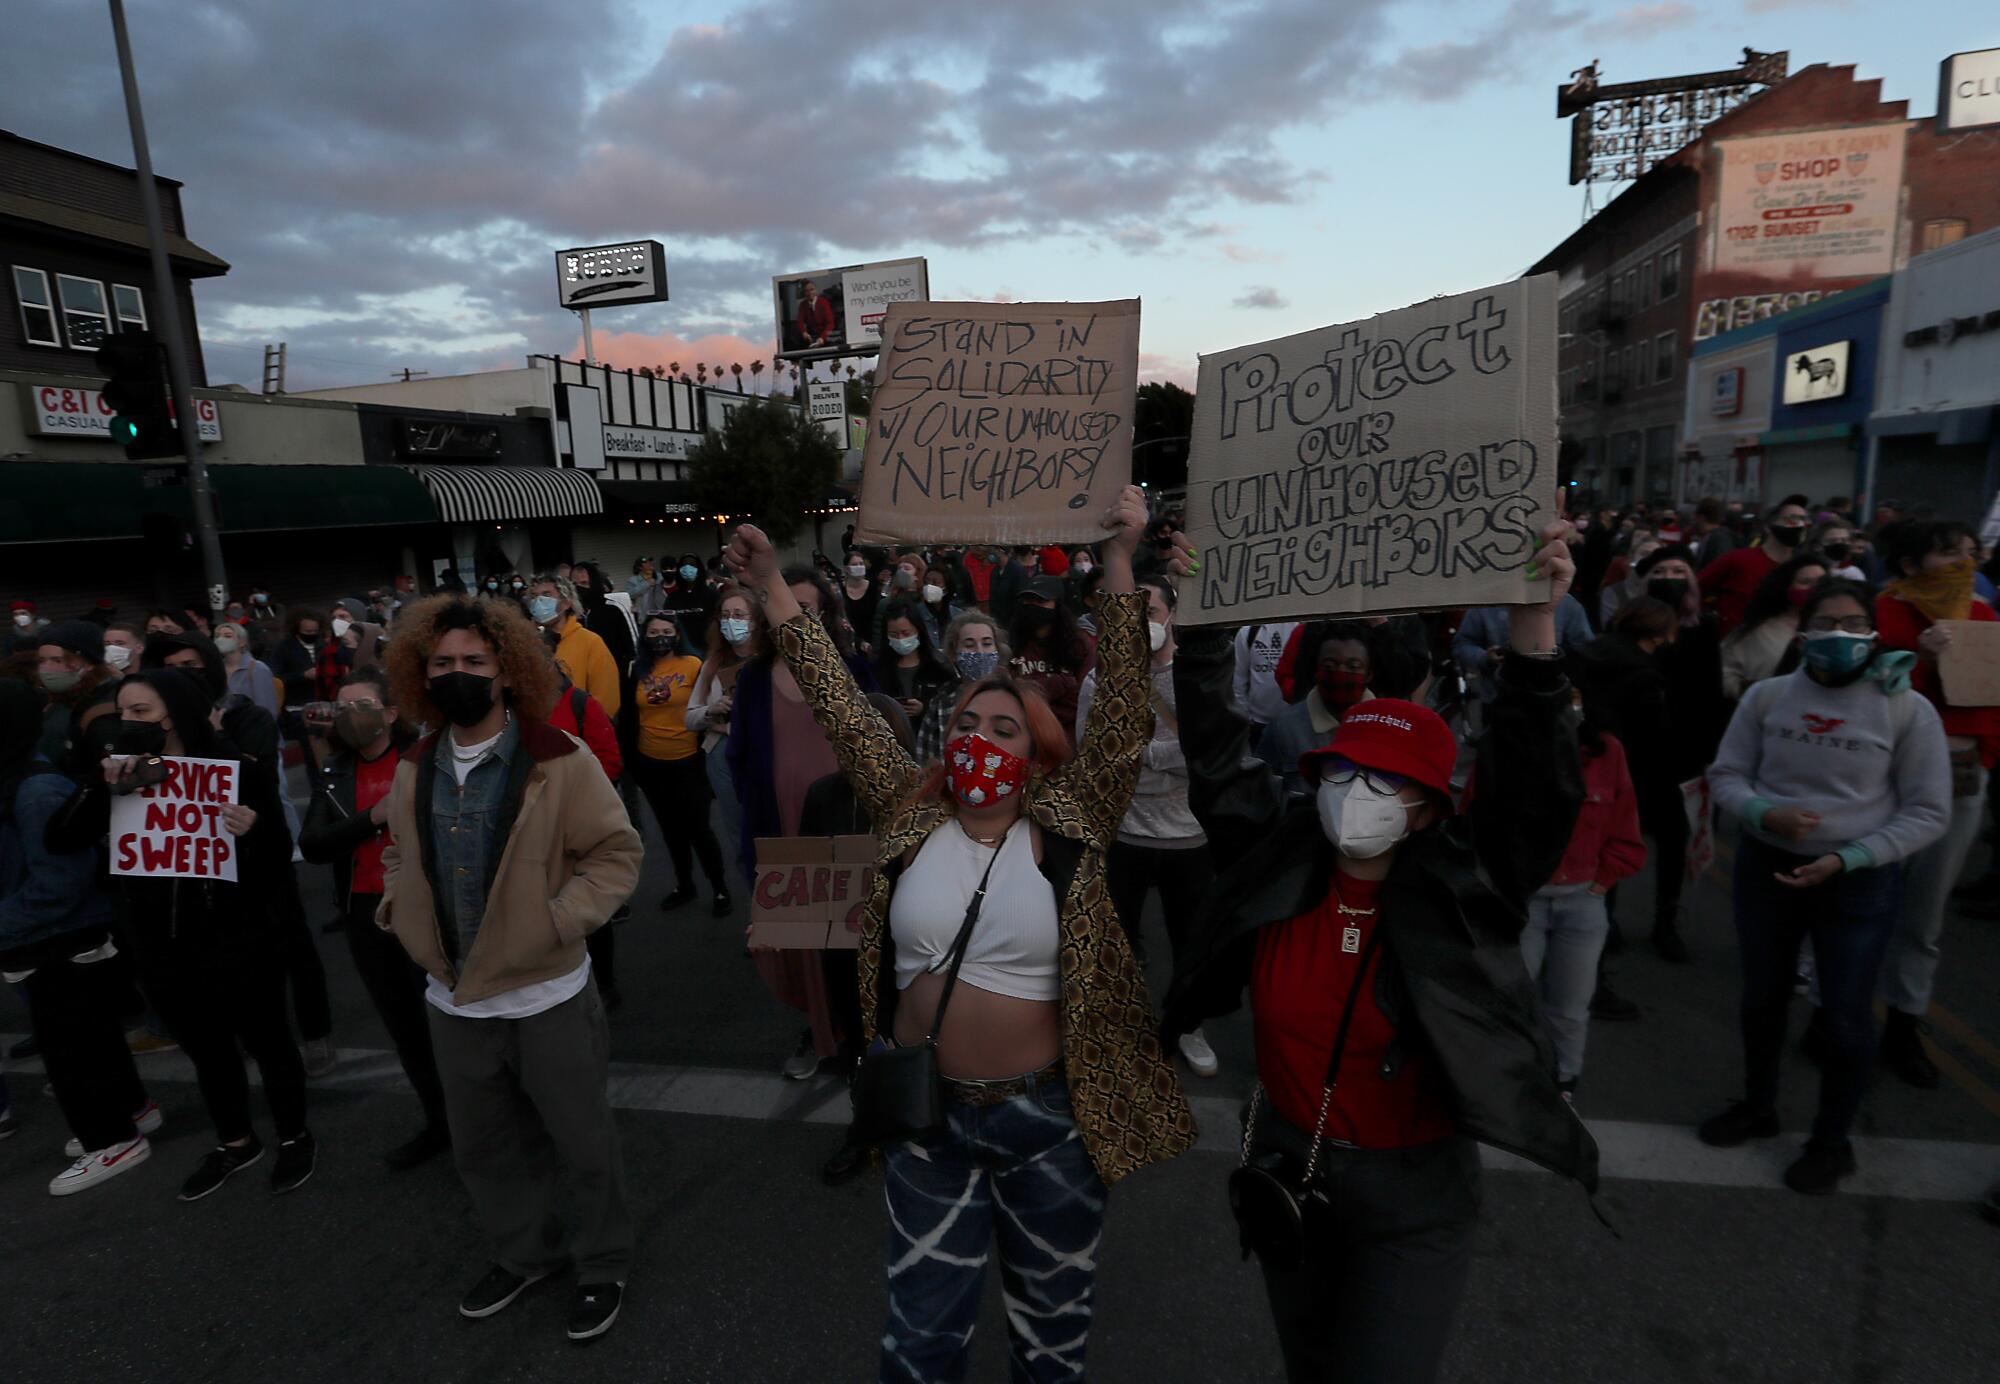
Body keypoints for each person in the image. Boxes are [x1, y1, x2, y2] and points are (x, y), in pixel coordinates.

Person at [724, 484, 1197, 1382]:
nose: (980, 737)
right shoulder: (912, 814)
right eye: (969, 723)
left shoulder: (1071, 821)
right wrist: (774, 592)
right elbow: (839, 703)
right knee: (919, 1341)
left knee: (1050, 1341)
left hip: (1047, 1121)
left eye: (1004, 728)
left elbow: (1127, 708)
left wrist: (1123, 563)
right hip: (926, 1120)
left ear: (1040, 752)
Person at [1165, 519, 1597, 1384]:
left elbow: (1531, 795)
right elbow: (1215, 756)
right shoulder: (1278, 859)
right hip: (1289, 1164)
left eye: (1386, 780)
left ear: (1431, 807)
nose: (1352, 792)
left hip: (1416, 1196)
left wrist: (1535, 632)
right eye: (1338, 771)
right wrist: (1202, 626)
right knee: (1312, 1367)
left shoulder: (1465, 896)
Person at [375, 592, 642, 1340]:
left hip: (547, 995)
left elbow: (616, 855)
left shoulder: (559, 758)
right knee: (485, 1151)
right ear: (418, 674)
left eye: (474, 662)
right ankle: (527, 1255)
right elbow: (399, 852)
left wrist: (554, 923)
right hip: (454, 1002)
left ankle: (603, 1262)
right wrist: (402, 910)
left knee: (583, 1145)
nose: (456, 674)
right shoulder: (415, 763)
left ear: (508, 672)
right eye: (442, 663)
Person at [1701, 579, 1951, 1194]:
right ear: (1804, 631)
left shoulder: (1906, 708)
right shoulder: (1768, 697)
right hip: (1768, 869)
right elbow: (1727, 774)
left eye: (1855, 623)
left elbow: (1928, 810)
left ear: (1872, 634)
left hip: (1857, 883)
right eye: (1828, 623)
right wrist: (1763, 814)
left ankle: (1832, 1142)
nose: (1841, 635)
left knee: (1844, 1016)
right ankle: (1759, 1107)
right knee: (1762, 999)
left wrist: (1852, 856)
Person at [47, 668, 315, 1200]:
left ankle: (293, 1134)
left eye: (141, 712)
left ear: (176, 713)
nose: (128, 722)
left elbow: (278, 855)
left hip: (240, 939)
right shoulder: (122, 773)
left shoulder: (236, 769)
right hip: (162, 947)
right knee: (207, 1050)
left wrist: (252, 831)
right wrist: (98, 785)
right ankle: (237, 1142)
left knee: (268, 1042)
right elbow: (61, 838)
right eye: (122, 712)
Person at [144, 631, 337, 1075]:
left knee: (292, 944)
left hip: (263, 849)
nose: (182, 677)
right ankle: (261, 1034)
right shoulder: (159, 728)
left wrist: (212, 735)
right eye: (171, 668)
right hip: (203, 862)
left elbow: (255, 782)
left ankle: (315, 1031)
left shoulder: (245, 716)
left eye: (191, 666)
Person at [0, 679, 160, 1195]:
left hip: (57, 942)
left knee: (71, 1048)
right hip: (47, 939)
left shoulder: (34, 789)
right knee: (91, 1039)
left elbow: (60, 882)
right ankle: (135, 1111)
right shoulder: (21, 781)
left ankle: (111, 1140)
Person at [726, 565, 876, 1080]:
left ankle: (861, 1035)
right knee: (804, 941)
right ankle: (819, 1031)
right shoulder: (752, 679)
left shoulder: (851, 669)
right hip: (784, 824)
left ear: (828, 616)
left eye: (809, 609)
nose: (798, 618)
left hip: (846, 824)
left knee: (851, 933)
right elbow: (740, 758)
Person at [297, 669, 448, 1169]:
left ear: (388, 713)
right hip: (366, 914)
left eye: (360, 705)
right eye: (340, 708)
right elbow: (314, 845)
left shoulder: (426, 758)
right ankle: (440, 1124)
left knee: (454, 1018)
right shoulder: (335, 772)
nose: (348, 716)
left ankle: (489, 1119)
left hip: (426, 905)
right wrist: (372, 818)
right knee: (405, 1025)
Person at [1870, 520, 2000, 1088]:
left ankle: (1904, 1022)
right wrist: (1914, 658)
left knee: (1923, 917)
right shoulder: (1880, 615)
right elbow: (1865, 699)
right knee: (1861, 901)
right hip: (1885, 778)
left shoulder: (1984, 617)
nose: (1964, 565)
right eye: (1949, 554)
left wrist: (1987, 758)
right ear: (1908, 566)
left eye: (1970, 554)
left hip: (1961, 775)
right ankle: (1833, 1013)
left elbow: (1991, 702)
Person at [1078, 574, 1221, 1079]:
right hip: (1125, 834)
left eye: (1153, 613)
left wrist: (1140, 754)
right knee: (1120, 942)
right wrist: (1162, 758)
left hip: (1189, 836)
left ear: (1174, 616)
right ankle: (1123, 1031)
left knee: (1192, 942)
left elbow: (1207, 752)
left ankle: (1187, 1025)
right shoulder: (1101, 681)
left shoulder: (1197, 677)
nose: (1143, 624)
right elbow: (1094, 753)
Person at [1516, 684, 1646, 1101]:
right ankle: (1504, 1083)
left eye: (1571, 691)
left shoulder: (1608, 752)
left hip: (1582, 902)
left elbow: (1626, 831)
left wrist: (1601, 882)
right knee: (1510, 1001)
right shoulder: (1508, 748)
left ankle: (1562, 1083)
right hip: (1523, 902)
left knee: (1570, 1009)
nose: (1563, 702)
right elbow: (1478, 819)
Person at [631, 612, 731, 918]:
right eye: (653, 632)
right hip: (650, 763)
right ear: (644, 637)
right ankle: (684, 885)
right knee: (670, 830)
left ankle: (720, 887)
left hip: (688, 761)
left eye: (666, 631)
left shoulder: (693, 665)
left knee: (699, 829)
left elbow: (707, 708)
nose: (659, 637)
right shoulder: (637, 669)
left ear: (677, 635)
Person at [1258, 624, 1376, 798]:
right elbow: (1260, 795)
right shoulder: (1284, 729)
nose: (1341, 673)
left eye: (1353, 667)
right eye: (1330, 665)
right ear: (1316, 669)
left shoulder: (1387, 730)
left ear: (1369, 674)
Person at [687, 586, 757, 869]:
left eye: (739, 614)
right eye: (726, 615)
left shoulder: (772, 660)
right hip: (723, 755)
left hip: (764, 752)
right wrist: (712, 712)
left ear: (755, 620)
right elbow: (689, 718)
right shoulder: (713, 664)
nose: (731, 621)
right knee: (739, 835)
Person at [1721, 555, 1830, 700]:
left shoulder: (1838, 628)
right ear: (1786, 587)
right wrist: (1756, 694)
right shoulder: (1756, 632)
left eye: (1821, 582)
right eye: (1805, 582)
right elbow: (1726, 673)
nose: (1815, 589)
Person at [1453, 591, 1593, 702]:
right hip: (1499, 701)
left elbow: (1587, 652)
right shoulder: (1487, 604)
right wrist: (1484, 657)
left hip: (1552, 703)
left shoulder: (1566, 604)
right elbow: (1462, 646)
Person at [1700, 495, 1811, 636]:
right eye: (1793, 519)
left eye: (1803, 519)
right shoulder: (1738, 559)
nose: (1800, 525)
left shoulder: (1804, 568)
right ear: (1768, 527)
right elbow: (1698, 587)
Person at [1009, 575, 1097, 740]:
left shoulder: (1079, 644)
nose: (1033, 607)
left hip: (1068, 740)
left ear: (1058, 605)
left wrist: (1032, 693)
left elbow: (1084, 697)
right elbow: (1011, 696)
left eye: (1041, 601)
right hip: (1027, 738)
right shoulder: (1015, 645)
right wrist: (1059, 683)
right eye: (1028, 601)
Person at [916, 612, 1009, 764]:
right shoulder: (940, 705)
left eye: (987, 644)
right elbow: (926, 763)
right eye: (969, 645)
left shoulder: (1016, 700)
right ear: (953, 654)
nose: (979, 651)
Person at [35, 620, 121, 777]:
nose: (46, 668)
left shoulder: (107, 706)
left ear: (89, 663)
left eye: (58, 660)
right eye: (42, 661)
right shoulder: (59, 699)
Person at [529, 574, 621, 718]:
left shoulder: (590, 642)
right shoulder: (530, 643)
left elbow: (607, 700)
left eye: (546, 594)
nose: (538, 601)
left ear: (566, 603)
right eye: (534, 596)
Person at [872, 598, 952, 724]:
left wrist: (924, 708)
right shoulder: (879, 668)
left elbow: (950, 704)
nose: (900, 639)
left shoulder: (938, 665)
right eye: (893, 634)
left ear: (918, 630)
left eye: (906, 633)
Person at [1234, 622, 1301, 742]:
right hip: (1258, 725)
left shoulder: (1302, 629)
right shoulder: (1248, 632)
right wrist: (1245, 718)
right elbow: (1238, 681)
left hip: (1296, 725)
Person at [838, 550, 881, 656]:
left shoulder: (874, 588)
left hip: (872, 644)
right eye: (854, 564)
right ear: (846, 568)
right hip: (847, 644)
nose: (859, 567)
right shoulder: (839, 590)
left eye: (861, 564)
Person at [1691, 495, 1737, 570]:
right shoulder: (1719, 537)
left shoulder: (1718, 540)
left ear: (1701, 517)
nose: (1694, 521)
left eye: (1695, 517)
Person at [796, 278, 838, 349]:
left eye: (811, 290)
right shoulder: (803, 304)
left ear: (816, 291)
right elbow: (800, 321)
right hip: (812, 335)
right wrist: (804, 332)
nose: (809, 293)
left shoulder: (823, 302)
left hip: (824, 334)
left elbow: (830, 323)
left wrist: (822, 338)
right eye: (806, 291)